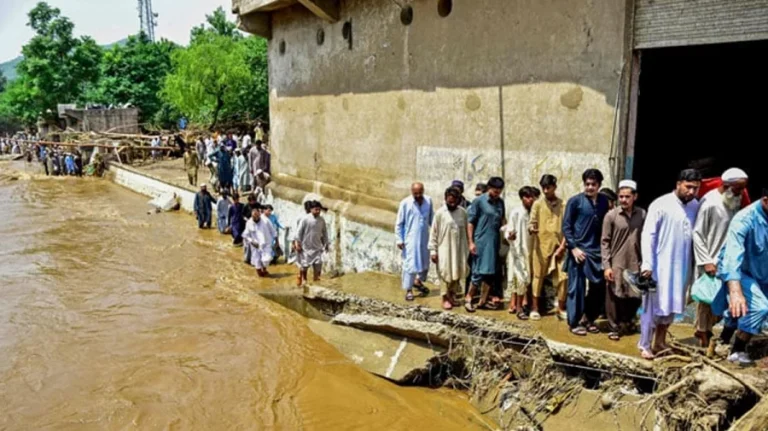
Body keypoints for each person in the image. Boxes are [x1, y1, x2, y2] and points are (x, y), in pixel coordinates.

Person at [638, 169, 701, 359]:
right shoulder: (661, 204)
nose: (691, 192)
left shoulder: (695, 206)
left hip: (681, 267)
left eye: (695, 189)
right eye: (688, 187)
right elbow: (647, 235)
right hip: (659, 267)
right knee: (652, 308)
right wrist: (647, 264)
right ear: (678, 184)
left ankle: (659, 342)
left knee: (672, 306)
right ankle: (645, 344)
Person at [692, 168, 749, 347]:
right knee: (705, 300)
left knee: (720, 301)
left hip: (727, 262)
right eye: (738, 189)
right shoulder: (710, 203)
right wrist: (707, 261)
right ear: (727, 186)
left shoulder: (734, 201)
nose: (741, 193)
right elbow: (698, 233)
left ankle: (705, 331)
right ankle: (703, 335)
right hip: (710, 260)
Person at [711, 187, 768, 365]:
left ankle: (723, 339)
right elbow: (732, 256)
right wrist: (735, 291)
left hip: (763, 270)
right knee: (759, 307)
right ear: (766, 200)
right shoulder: (744, 219)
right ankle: (738, 350)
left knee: (741, 310)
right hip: (741, 271)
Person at [562, 169, 610, 336]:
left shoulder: (604, 202)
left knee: (599, 287)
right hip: (579, 252)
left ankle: (588, 319)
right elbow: (566, 227)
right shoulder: (575, 202)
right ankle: (574, 323)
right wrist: (573, 248)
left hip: (597, 252)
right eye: (587, 184)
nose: (590, 187)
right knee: (577, 288)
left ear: (599, 185)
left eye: (593, 184)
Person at [601, 180, 645, 341]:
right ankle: (613, 327)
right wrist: (607, 266)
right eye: (621, 197)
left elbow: (646, 239)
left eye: (627, 196)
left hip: (635, 261)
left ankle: (627, 322)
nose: (624, 200)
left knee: (634, 295)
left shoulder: (642, 214)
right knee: (613, 295)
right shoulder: (611, 216)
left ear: (635, 196)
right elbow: (605, 241)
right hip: (616, 262)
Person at [529, 174, 567, 320]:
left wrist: (562, 247)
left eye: (548, 187)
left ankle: (560, 308)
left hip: (560, 247)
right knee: (538, 277)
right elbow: (532, 222)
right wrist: (532, 228)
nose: (545, 190)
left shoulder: (563, 205)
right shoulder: (537, 204)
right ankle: (535, 308)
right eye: (543, 187)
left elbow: (567, 228)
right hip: (541, 247)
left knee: (564, 277)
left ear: (554, 187)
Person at [466, 176, 506, 312]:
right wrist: (471, 242)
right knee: (477, 271)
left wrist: (507, 231)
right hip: (481, 241)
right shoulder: (479, 202)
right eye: (495, 191)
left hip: (494, 241)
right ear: (489, 188)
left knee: (489, 273)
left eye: (499, 191)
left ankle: (482, 301)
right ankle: (469, 298)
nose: (497, 194)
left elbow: (502, 220)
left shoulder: (500, 203)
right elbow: (470, 222)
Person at [429, 187, 469, 310]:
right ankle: (445, 298)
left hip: (459, 249)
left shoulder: (462, 212)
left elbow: (466, 232)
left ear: (458, 200)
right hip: (444, 249)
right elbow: (433, 233)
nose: (452, 204)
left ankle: (452, 296)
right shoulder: (440, 213)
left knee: (456, 273)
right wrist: (433, 250)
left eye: (454, 201)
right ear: (446, 199)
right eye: (449, 201)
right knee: (444, 273)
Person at [396, 182, 434, 301]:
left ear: (423, 191)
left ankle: (418, 282)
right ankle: (408, 290)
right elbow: (399, 223)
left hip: (424, 238)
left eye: (420, 193)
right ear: (412, 192)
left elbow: (432, 220)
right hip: (410, 239)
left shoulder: (428, 201)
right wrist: (399, 239)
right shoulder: (405, 203)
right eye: (415, 193)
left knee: (424, 263)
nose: (418, 195)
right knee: (410, 265)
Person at [505, 186, 537, 319]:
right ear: (522, 198)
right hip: (518, 252)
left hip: (532, 252)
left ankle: (525, 305)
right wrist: (510, 236)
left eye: (532, 197)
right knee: (520, 279)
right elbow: (509, 231)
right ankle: (519, 308)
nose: (530, 200)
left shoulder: (535, 213)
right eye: (527, 197)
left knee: (527, 280)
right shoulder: (516, 213)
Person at [295, 201, 330, 285]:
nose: (318, 211)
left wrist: (326, 243)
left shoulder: (321, 220)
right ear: (311, 209)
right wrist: (297, 243)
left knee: (318, 265)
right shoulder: (305, 219)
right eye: (316, 209)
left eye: (319, 210)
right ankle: (304, 280)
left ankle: (316, 281)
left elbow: (324, 232)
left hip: (317, 247)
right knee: (304, 266)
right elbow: (298, 233)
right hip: (306, 247)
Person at [243, 206, 277, 277]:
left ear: (259, 215)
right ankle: (261, 276)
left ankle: (264, 270)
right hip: (255, 246)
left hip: (266, 244)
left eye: (257, 217)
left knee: (266, 260)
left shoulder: (266, 221)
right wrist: (251, 241)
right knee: (257, 263)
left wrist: (277, 242)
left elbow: (273, 231)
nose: (255, 219)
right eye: (253, 217)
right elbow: (245, 235)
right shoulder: (249, 223)